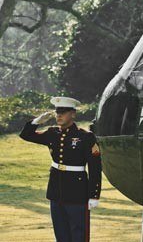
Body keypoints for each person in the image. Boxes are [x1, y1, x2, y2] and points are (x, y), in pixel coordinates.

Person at [19, 96, 102, 242]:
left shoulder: (85, 137)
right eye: (57, 112)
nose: (59, 115)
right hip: (56, 192)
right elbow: (25, 135)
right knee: (61, 235)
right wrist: (36, 122)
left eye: (63, 112)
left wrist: (94, 195)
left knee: (78, 235)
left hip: (77, 192)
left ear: (73, 114)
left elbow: (95, 168)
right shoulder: (52, 133)